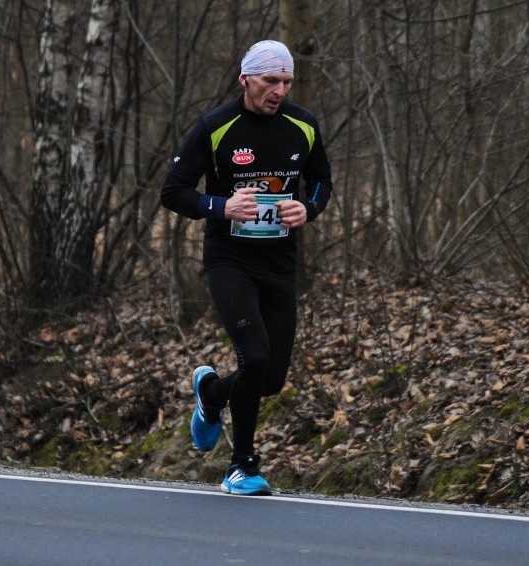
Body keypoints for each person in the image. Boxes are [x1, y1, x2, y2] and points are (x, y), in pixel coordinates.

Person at [160, 40, 333, 495]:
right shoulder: (215, 127)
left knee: (270, 379)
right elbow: (173, 191)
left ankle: (212, 394)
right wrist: (220, 205)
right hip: (229, 260)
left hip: (279, 262)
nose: (279, 90)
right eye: (269, 81)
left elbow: (321, 181)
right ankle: (242, 467)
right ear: (245, 80)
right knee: (253, 357)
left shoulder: (303, 125)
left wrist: (307, 209)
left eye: (286, 81)